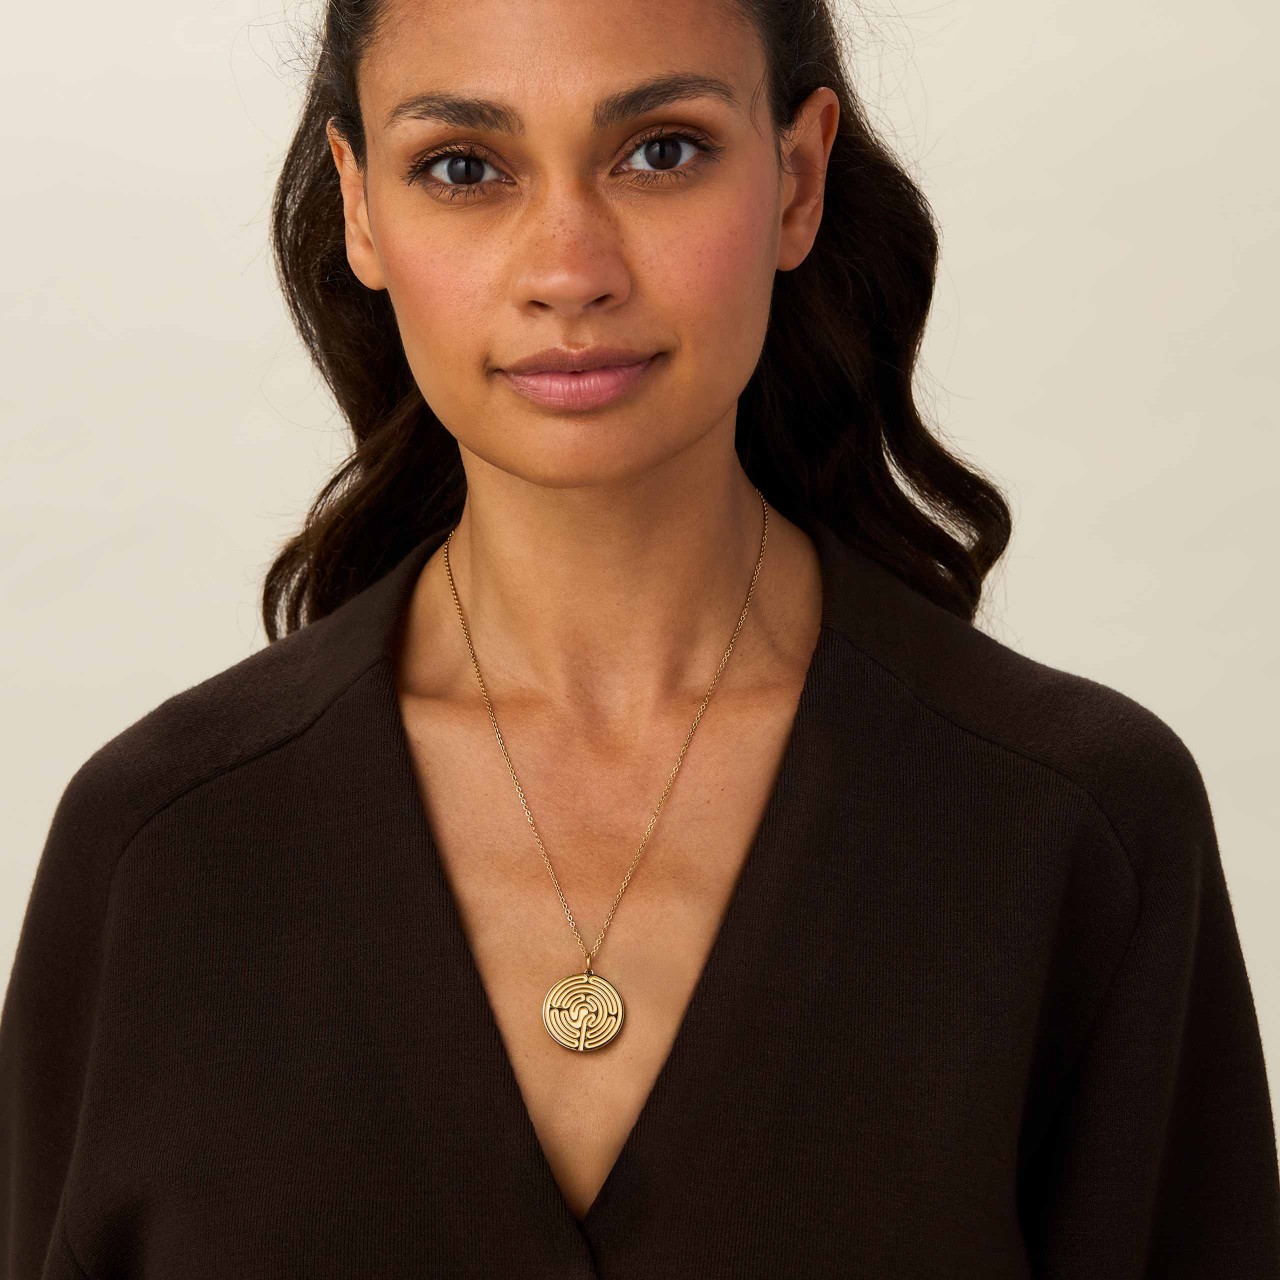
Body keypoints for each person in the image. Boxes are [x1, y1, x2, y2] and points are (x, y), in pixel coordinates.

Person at [3, 0, 1278, 1275]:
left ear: (796, 176)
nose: (570, 266)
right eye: (464, 168)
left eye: (660, 151)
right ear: (359, 206)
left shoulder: (1074, 826)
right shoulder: (161, 846)